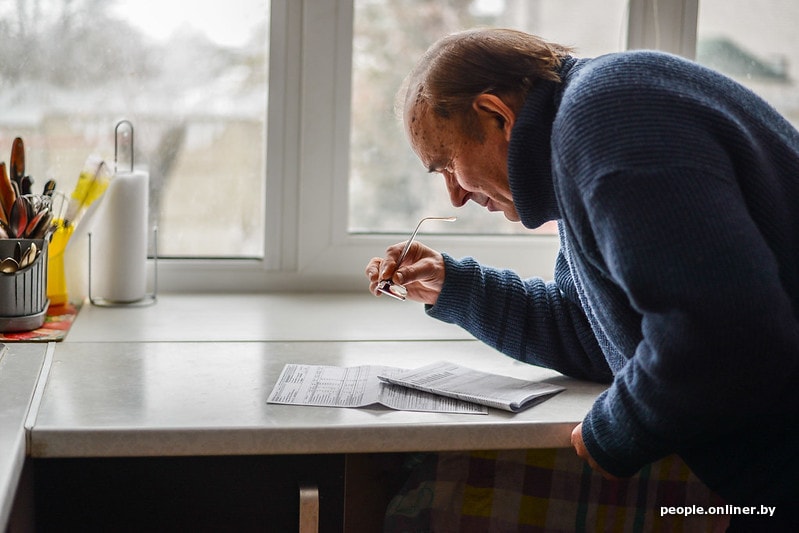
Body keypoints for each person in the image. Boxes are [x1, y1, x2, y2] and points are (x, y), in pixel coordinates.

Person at [365, 28, 799, 531]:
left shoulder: (606, 117)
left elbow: (726, 333)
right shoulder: (588, 122)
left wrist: (618, 428)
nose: (455, 197)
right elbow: (593, 332)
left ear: (496, 115)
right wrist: (452, 286)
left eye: (447, 165)